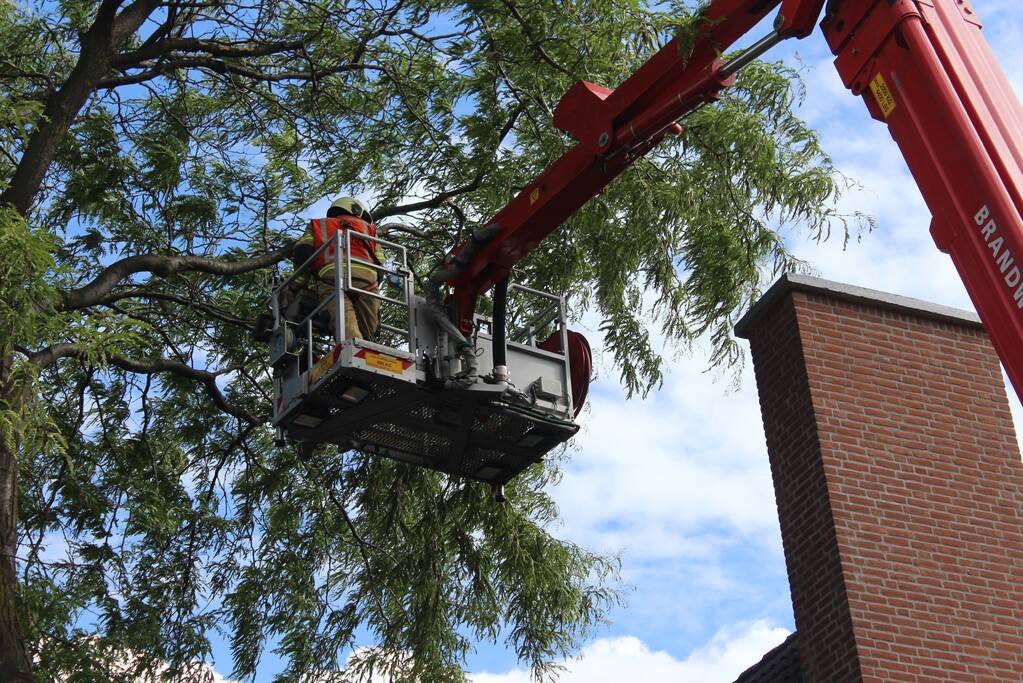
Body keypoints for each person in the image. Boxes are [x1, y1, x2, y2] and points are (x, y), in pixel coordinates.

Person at [292, 197, 385, 340]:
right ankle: (368, 353)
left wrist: (297, 285)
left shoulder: (318, 225)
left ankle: (352, 352)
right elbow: (380, 265)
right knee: (369, 332)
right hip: (368, 284)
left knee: (346, 327)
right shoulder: (370, 230)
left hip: (333, 280)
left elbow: (302, 254)